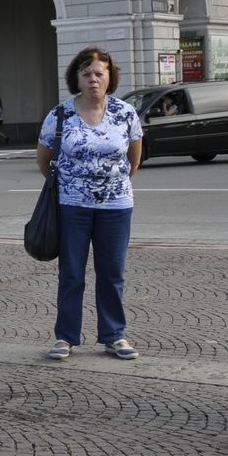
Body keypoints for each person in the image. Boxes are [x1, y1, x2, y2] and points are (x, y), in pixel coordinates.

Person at [38, 46, 143, 362]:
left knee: (112, 272)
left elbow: (134, 160)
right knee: (71, 272)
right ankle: (66, 336)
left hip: (116, 206)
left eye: (99, 73)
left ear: (110, 76)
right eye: (87, 74)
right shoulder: (60, 115)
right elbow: (45, 161)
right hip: (72, 206)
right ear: (77, 78)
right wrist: (75, 185)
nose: (93, 79)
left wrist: (109, 184)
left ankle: (114, 335)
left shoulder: (125, 113)